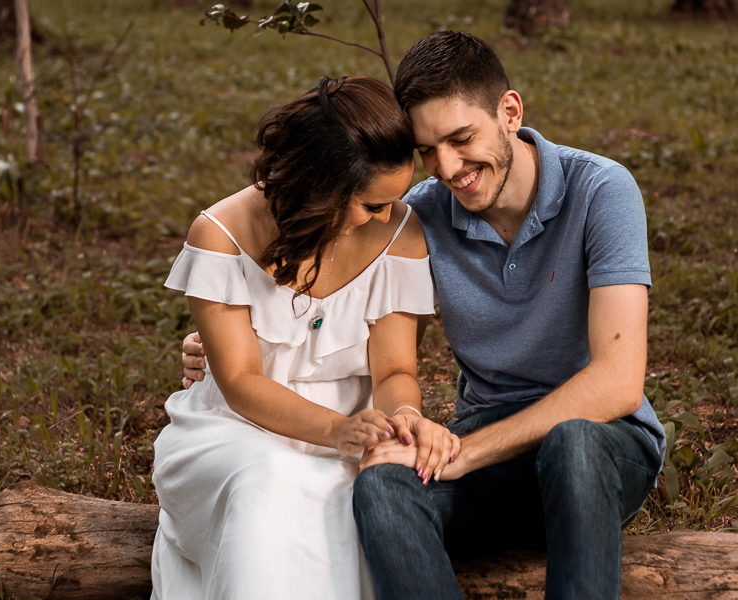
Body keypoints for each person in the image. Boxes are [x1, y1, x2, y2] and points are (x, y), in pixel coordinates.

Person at [183, 32, 666, 599]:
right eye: (429, 150)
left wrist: (465, 453)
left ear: (509, 112)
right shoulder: (421, 216)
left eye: (461, 138)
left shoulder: (602, 190)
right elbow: (334, 255)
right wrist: (225, 339)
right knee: (383, 483)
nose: (449, 168)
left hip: (603, 447)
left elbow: (618, 382)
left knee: (572, 442)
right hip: (490, 442)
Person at [150, 75, 458, 600]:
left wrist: (403, 413)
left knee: (362, 498)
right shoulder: (221, 235)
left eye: (393, 200)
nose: (386, 216)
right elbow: (241, 382)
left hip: (358, 428)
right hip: (236, 429)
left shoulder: (400, 231)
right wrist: (337, 430)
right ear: (322, 185)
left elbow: (394, 370)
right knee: (265, 481)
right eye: (370, 204)